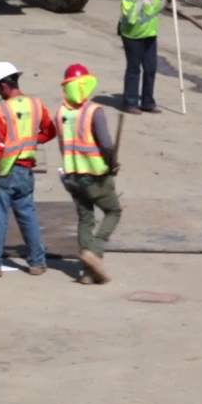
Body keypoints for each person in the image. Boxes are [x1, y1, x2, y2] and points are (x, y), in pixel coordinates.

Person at [0, 61, 57, 279]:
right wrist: (32, 142)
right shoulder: (35, 104)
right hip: (26, 173)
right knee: (28, 216)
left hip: (6, 173)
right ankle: (37, 263)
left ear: (5, 85)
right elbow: (50, 131)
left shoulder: (3, 111)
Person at [56, 63, 121, 285]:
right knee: (113, 211)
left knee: (85, 218)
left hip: (72, 176)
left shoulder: (62, 113)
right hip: (95, 176)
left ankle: (86, 273)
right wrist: (112, 163)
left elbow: (62, 144)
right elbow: (106, 144)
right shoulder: (94, 111)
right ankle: (95, 250)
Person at [119, 0, 169, 114]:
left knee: (150, 69)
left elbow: (154, 10)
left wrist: (166, 0)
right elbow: (131, 17)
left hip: (149, 35)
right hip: (132, 36)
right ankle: (130, 103)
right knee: (134, 69)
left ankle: (147, 102)